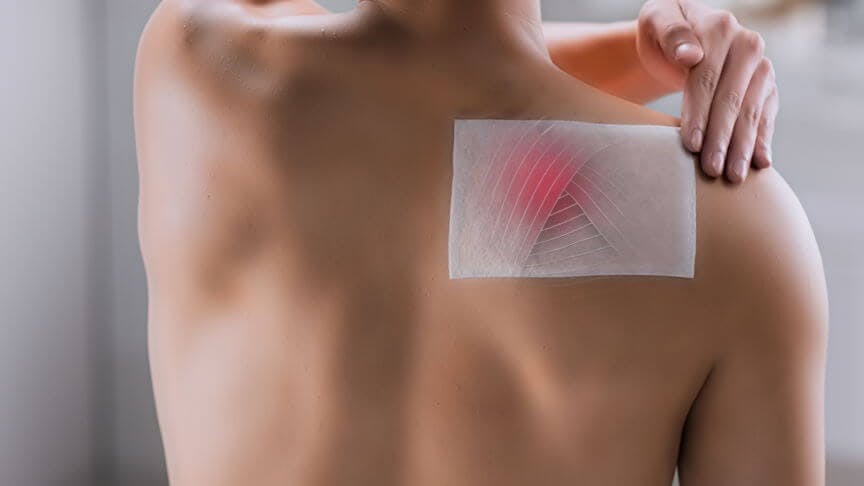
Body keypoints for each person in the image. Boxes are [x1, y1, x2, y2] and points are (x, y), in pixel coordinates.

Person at [134, 1, 827, 485]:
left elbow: (407, 83)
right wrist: (651, 53)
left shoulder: (197, 69)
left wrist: (628, 52)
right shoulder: (739, 226)